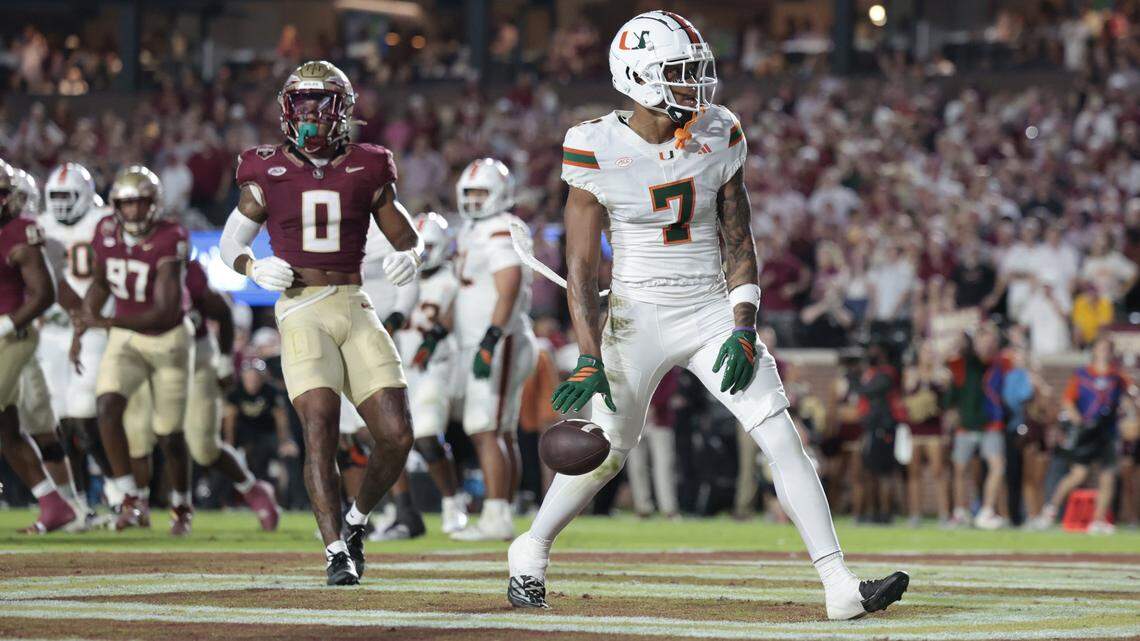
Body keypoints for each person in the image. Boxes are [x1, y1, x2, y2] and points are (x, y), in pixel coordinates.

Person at [505, 11, 907, 620]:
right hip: (634, 316)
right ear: (638, 76)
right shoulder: (593, 144)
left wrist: (744, 324)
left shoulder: (720, 130)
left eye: (695, 71)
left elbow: (739, 239)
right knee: (609, 449)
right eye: (679, 73)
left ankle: (838, 585)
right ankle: (529, 552)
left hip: (708, 309)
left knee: (780, 433)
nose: (696, 86)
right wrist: (589, 354)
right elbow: (582, 272)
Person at [218, 60, 422, 585]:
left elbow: (404, 235)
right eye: (301, 104)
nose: (311, 115)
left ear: (342, 109)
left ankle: (355, 522)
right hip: (301, 305)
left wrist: (411, 254)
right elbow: (229, 243)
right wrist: (251, 266)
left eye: (321, 103)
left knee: (397, 434)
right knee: (319, 429)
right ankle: (335, 552)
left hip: (354, 302)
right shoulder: (263, 167)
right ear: (287, 110)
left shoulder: (369, 164)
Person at [77, 166, 196, 535]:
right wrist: (87, 313)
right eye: (125, 204)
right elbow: (100, 281)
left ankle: (180, 504)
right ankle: (129, 497)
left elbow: (164, 311)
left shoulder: (171, 235)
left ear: (153, 204)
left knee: (169, 434)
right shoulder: (105, 232)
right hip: (126, 337)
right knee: (106, 407)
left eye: (139, 203)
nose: (131, 212)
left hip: (168, 340)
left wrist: (106, 323)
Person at [122, 259, 281, 531]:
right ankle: (137, 504)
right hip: (150, 359)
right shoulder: (129, 269)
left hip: (196, 359)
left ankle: (253, 490)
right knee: (138, 433)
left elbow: (222, 312)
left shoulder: (187, 272)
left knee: (203, 446)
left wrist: (224, 363)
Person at [448, 158, 538, 541]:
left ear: (501, 193)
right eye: (469, 193)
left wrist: (490, 338)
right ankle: (501, 510)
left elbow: (510, 283)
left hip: (499, 339)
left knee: (485, 428)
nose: (474, 200)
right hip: (490, 339)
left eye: (481, 192)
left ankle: (496, 515)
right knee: (499, 431)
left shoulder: (500, 227)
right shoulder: (476, 228)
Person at [0, 160, 77, 533]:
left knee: (31, 424)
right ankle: (53, 504)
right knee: (8, 431)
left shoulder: (20, 231)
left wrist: (4, 323)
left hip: (13, 335)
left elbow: (45, 294)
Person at [383, 211, 469, 539]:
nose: (423, 252)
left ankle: (452, 503)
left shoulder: (451, 279)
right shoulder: (397, 279)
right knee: (388, 440)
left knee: (429, 436)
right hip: (398, 367)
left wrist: (434, 340)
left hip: (437, 366)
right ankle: (397, 511)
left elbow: (451, 319)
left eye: (429, 245)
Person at [36, 162, 113, 515]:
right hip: (52, 330)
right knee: (61, 421)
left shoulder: (104, 221)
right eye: (57, 196)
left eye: (69, 196)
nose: (63, 203)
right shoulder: (40, 225)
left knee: (84, 414)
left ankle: (119, 491)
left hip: (93, 326)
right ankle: (79, 501)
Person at [1029, 337, 1135, 534]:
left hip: (1108, 433)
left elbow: (1130, 396)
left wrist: (1129, 415)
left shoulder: (1116, 377)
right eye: (1101, 348)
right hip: (1088, 432)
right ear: (1094, 351)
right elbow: (1068, 401)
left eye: (1107, 349)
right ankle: (1049, 510)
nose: (1104, 352)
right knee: (1078, 474)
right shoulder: (1082, 375)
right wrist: (1079, 421)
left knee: (1108, 476)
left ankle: (1098, 519)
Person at [223, 359, 297, 485]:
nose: (252, 380)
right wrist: (229, 444)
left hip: (268, 433)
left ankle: (297, 500)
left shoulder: (272, 391)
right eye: (249, 376)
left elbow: (281, 420)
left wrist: (285, 441)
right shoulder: (235, 392)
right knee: (226, 458)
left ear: (262, 377)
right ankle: (217, 499)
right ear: (243, 377)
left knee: (290, 455)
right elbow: (230, 420)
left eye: (256, 376)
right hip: (245, 435)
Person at [901, 340, 950, 526]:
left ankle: (944, 513)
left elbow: (944, 389)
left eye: (931, 352)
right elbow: (907, 393)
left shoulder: (942, 373)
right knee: (914, 474)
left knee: (938, 472)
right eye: (925, 351)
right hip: (915, 429)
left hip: (934, 429)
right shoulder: (911, 373)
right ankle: (915, 514)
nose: (928, 355)